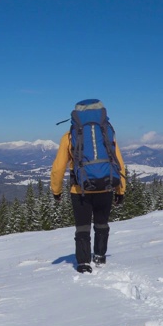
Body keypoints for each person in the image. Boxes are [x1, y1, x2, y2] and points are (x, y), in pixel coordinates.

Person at [50, 99, 126, 273]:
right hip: (106, 186)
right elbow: (119, 162)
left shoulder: (69, 136)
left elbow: (58, 167)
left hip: (80, 190)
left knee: (82, 228)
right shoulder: (107, 133)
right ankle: (100, 256)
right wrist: (121, 189)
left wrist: (56, 190)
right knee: (102, 224)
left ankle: (83, 263)